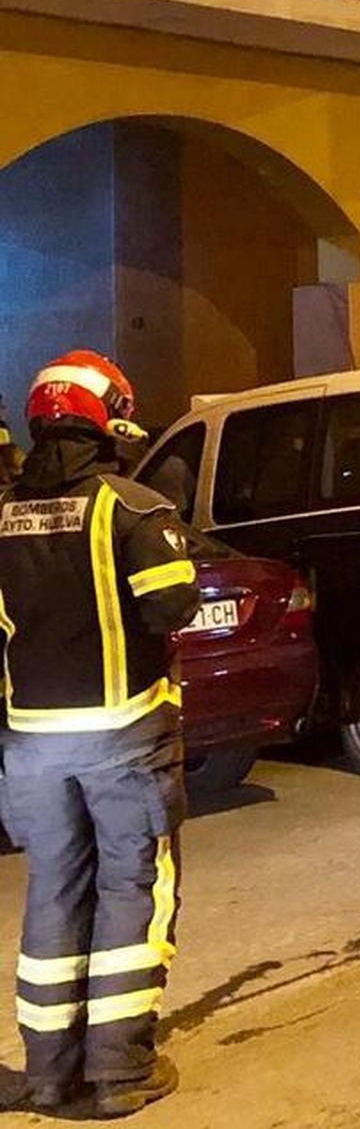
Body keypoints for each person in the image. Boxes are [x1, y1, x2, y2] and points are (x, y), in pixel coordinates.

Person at [0, 352, 199, 1116]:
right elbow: (170, 605)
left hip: (30, 746)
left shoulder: (2, 512)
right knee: (133, 888)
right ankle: (119, 1065)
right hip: (123, 732)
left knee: (52, 889)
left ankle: (48, 1070)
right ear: (105, 413)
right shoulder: (130, 506)